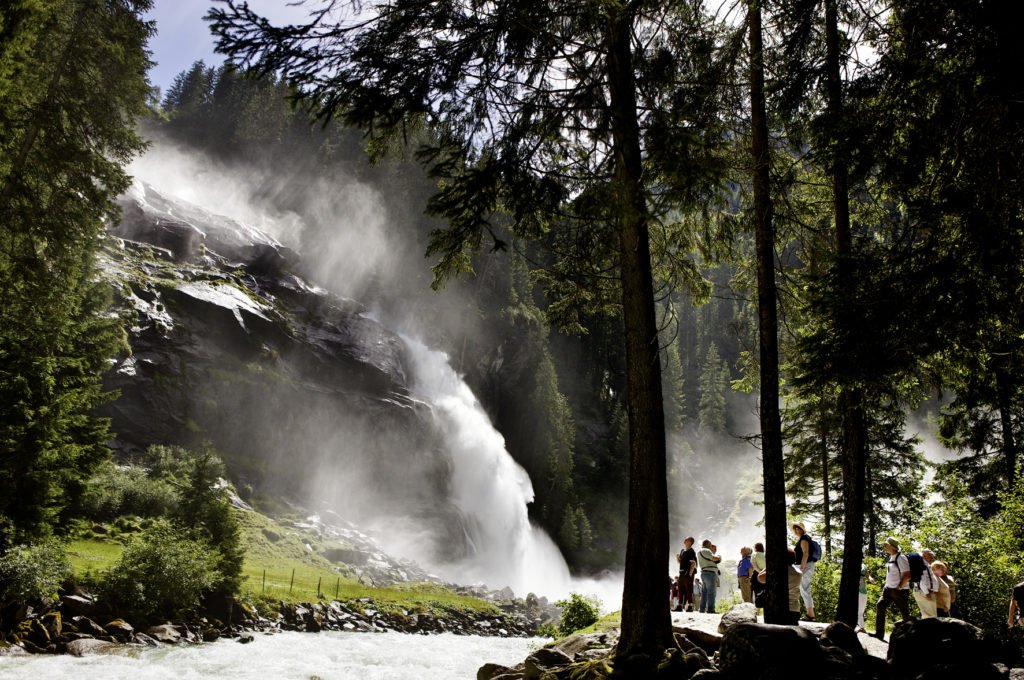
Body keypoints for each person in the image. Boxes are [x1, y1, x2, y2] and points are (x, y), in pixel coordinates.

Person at [874, 537, 911, 641]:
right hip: (888, 589)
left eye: (886, 545)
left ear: (892, 546)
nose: (884, 547)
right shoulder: (892, 557)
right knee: (880, 605)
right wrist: (887, 585)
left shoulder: (901, 557)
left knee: (904, 613)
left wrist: (900, 586)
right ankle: (879, 634)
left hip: (899, 591)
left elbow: (907, 574)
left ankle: (909, 635)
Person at [757, 547, 803, 625]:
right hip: (794, 610)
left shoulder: (776, 571)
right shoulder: (798, 572)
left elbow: (760, 578)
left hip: (777, 610)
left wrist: (770, 565)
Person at [792, 522, 817, 621]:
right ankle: (810, 614)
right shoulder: (805, 538)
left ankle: (810, 615)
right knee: (804, 590)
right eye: (795, 529)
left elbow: (805, 554)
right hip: (805, 566)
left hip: (805, 567)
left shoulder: (804, 539)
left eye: (798, 529)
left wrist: (801, 568)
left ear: (802, 529)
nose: (796, 531)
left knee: (805, 589)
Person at [912, 549, 940, 618]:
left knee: (931, 615)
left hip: (926, 592)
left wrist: (934, 590)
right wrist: (927, 593)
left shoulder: (926, 564)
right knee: (930, 616)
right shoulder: (920, 564)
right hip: (923, 592)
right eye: (930, 555)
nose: (932, 557)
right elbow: (921, 580)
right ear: (924, 555)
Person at [697, 538, 722, 614]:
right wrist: (719, 557)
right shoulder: (706, 550)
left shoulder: (700, 551)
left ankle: (702, 609)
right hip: (710, 573)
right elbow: (714, 558)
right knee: (711, 592)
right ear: (707, 544)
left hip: (704, 572)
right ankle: (711, 609)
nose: (711, 546)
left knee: (704, 592)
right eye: (710, 545)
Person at [677, 536, 697, 612]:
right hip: (681, 572)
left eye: (687, 539)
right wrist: (678, 558)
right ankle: (680, 605)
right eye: (685, 539)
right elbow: (681, 562)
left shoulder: (692, 551)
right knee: (680, 589)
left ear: (690, 542)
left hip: (688, 573)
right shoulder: (682, 551)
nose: (685, 540)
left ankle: (690, 606)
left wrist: (690, 574)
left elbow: (693, 563)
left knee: (689, 589)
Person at [857, 558, 874, 632]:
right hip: (854, 590)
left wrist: (871, 579)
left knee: (861, 609)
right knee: (858, 610)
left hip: (863, 589)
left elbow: (868, 576)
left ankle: (861, 627)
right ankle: (861, 626)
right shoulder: (850, 564)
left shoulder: (864, 566)